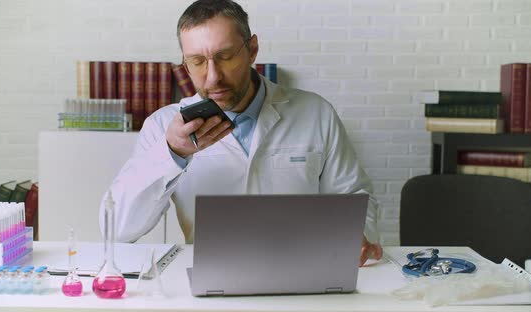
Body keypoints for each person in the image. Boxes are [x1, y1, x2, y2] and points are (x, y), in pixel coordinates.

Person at [99, 0, 383, 266]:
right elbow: (117, 230)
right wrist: (172, 153)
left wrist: (356, 234)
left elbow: (356, 197)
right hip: (211, 276)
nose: (213, 77)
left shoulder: (315, 113)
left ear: (252, 49)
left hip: (301, 270)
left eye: (225, 56)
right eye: (197, 61)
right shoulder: (163, 127)